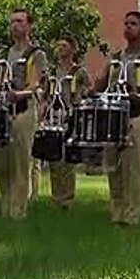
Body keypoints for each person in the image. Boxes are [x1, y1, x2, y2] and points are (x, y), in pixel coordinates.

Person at [0, 9, 48, 220]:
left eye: (20, 21)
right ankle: (6, 208)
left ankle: (18, 211)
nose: (15, 25)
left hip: (24, 109)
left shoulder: (36, 54)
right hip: (3, 111)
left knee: (21, 162)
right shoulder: (3, 54)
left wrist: (19, 94)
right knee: (4, 163)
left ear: (29, 26)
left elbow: (35, 84)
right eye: (13, 21)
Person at [91, 11, 140, 225]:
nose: (128, 27)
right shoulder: (115, 59)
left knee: (135, 166)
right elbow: (100, 84)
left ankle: (132, 214)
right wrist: (91, 90)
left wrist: (137, 96)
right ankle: (117, 211)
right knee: (114, 165)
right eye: (126, 23)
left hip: (137, 115)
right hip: (113, 118)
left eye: (133, 24)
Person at [46, 35, 91, 209]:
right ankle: (56, 197)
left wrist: (81, 97)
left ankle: (67, 199)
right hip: (53, 115)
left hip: (71, 115)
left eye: (64, 45)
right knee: (54, 157)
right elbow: (45, 94)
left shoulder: (79, 72)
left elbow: (89, 90)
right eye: (59, 45)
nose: (60, 49)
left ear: (73, 49)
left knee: (67, 159)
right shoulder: (52, 72)